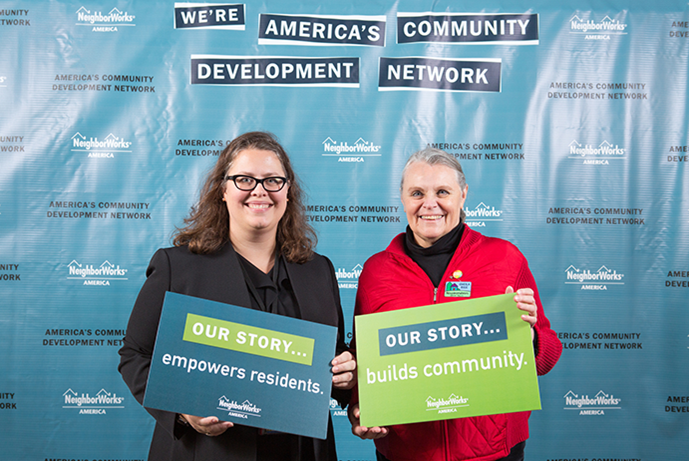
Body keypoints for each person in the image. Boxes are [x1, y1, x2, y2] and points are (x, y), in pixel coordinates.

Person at [118, 131, 356, 461]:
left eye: (273, 180)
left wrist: (346, 372)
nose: (259, 191)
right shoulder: (179, 267)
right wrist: (182, 412)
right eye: (244, 179)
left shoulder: (318, 271)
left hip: (301, 449)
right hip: (211, 450)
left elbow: (332, 358)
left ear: (288, 192)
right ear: (223, 190)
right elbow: (135, 354)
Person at [348, 147, 562, 461]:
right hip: (408, 451)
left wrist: (528, 337)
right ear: (403, 198)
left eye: (442, 192)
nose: (429, 204)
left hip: (494, 450)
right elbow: (364, 358)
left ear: (463, 196)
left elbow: (548, 355)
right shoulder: (376, 271)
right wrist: (360, 409)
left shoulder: (504, 258)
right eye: (417, 192)